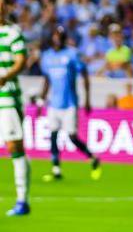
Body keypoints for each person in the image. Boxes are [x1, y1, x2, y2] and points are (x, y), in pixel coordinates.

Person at [39, 26, 100, 182]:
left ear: (64, 38)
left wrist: (87, 99)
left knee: (72, 137)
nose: (57, 38)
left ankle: (92, 157)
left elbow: (84, 74)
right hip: (54, 104)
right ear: (52, 37)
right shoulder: (47, 56)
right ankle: (56, 169)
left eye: (60, 35)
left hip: (69, 103)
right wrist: (41, 100)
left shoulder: (72, 54)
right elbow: (47, 80)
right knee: (53, 135)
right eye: (55, 35)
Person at [0, 0, 29, 216]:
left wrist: (5, 76)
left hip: (7, 97)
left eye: (2, 5)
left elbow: (21, 62)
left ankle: (22, 200)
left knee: (14, 147)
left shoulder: (12, 33)